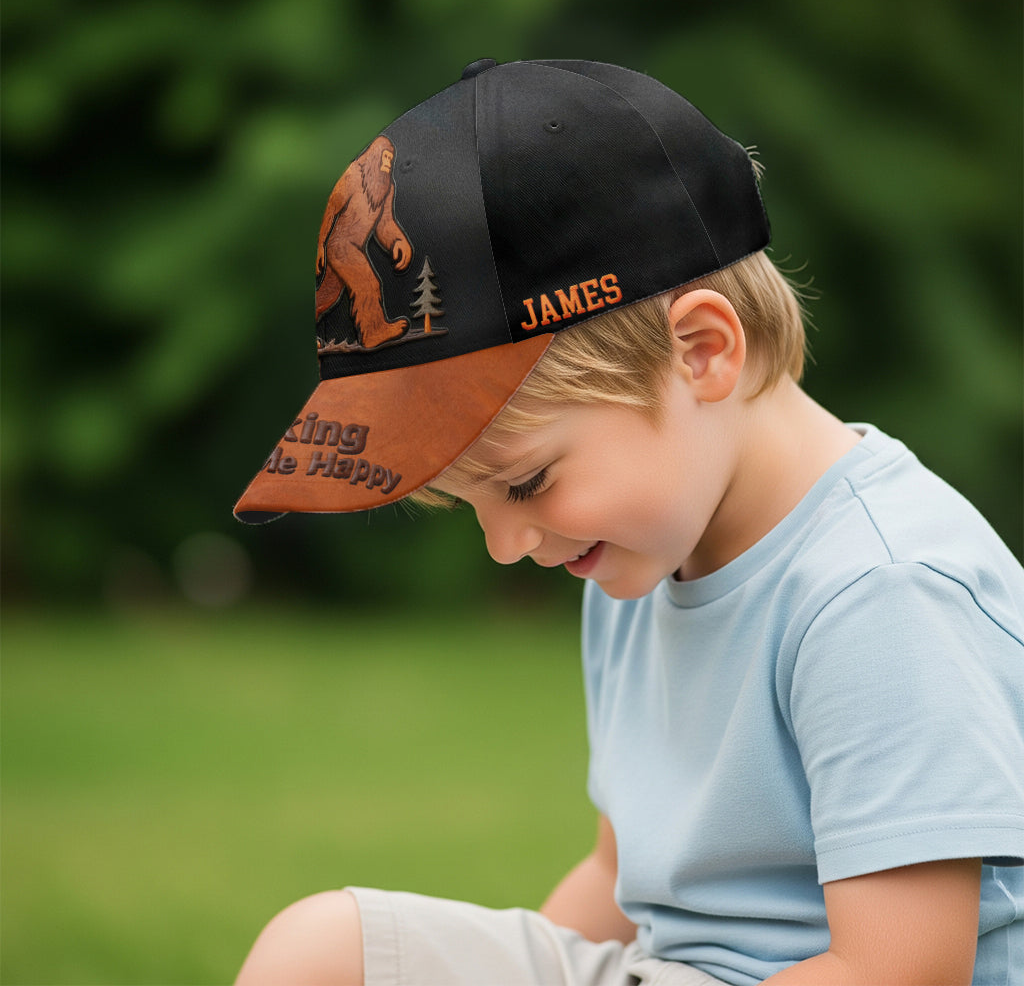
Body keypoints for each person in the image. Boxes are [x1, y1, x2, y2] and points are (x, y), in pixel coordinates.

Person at [232, 59, 1024, 985]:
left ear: (701, 352)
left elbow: (899, 971)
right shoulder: (634, 557)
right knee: (322, 953)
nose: (505, 545)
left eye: (525, 484)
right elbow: (620, 880)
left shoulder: (878, 591)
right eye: (472, 503)